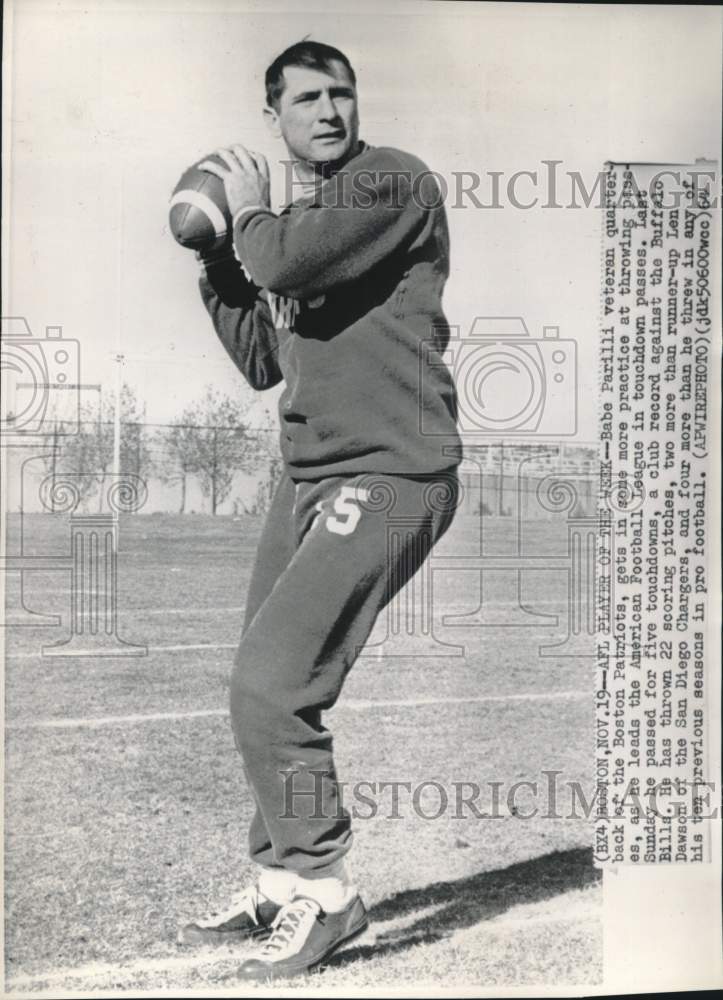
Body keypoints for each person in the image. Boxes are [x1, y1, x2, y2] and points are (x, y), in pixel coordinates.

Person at [178, 40, 462, 981]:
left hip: (391, 474)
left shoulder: (388, 183)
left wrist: (246, 213)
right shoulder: (293, 222)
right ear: (277, 117)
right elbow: (263, 357)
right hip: (308, 477)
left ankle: (330, 897)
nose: (329, 111)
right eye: (306, 99)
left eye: (340, 92)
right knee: (267, 682)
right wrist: (216, 255)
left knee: (272, 683)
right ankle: (278, 881)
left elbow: (290, 264)